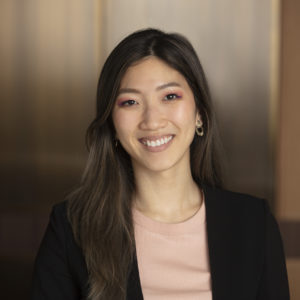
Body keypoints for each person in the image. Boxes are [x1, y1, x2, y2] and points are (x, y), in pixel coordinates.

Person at [31, 28, 290, 300]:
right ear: (112, 123)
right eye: (130, 102)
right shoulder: (72, 229)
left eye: (170, 96)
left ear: (199, 113)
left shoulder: (252, 223)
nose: (152, 121)